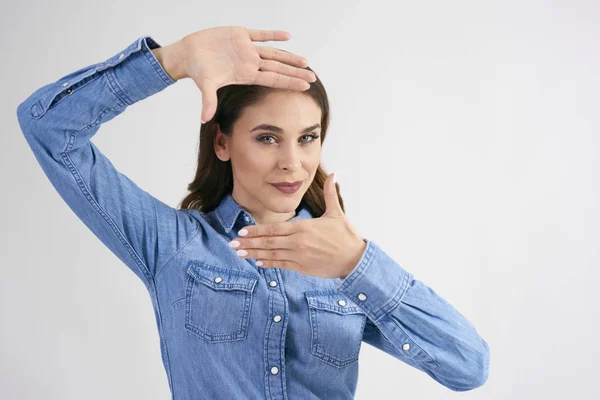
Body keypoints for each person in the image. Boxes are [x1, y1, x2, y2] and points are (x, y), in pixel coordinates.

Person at [16, 26, 489, 399]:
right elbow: (49, 128)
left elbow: (468, 368)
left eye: (308, 137)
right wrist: (172, 61)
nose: (292, 162)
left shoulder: (346, 266)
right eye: (267, 137)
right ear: (222, 141)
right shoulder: (172, 245)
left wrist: (356, 265)